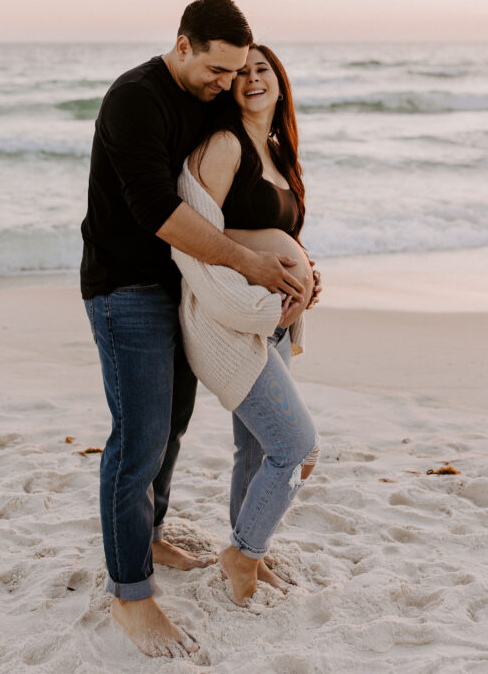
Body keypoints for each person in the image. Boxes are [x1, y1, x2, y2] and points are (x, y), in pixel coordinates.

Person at [81, 0, 307, 659]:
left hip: (184, 288)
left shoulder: (208, 100)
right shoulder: (135, 98)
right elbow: (161, 211)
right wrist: (252, 265)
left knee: (172, 426)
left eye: (234, 72)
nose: (224, 84)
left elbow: (233, 193)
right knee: (139, 437)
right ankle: (129, 594)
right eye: (215, 69)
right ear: (182, 45)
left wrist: (289, 261)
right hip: (127, 287)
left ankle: (147, 535)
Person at [172, 44, 320, 606]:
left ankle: (247, 549)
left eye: (264, 70)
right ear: (231, 87)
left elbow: (284, 234)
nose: (253, 78)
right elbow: (195, 232)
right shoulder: (225, 146)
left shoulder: (279, 152)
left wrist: (307, 270)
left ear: (279, 83)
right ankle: (243, 554)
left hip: (276, 322)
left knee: (257, 449)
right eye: (243, 72)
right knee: (297, 445)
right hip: (233, 322)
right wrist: (275, 257)